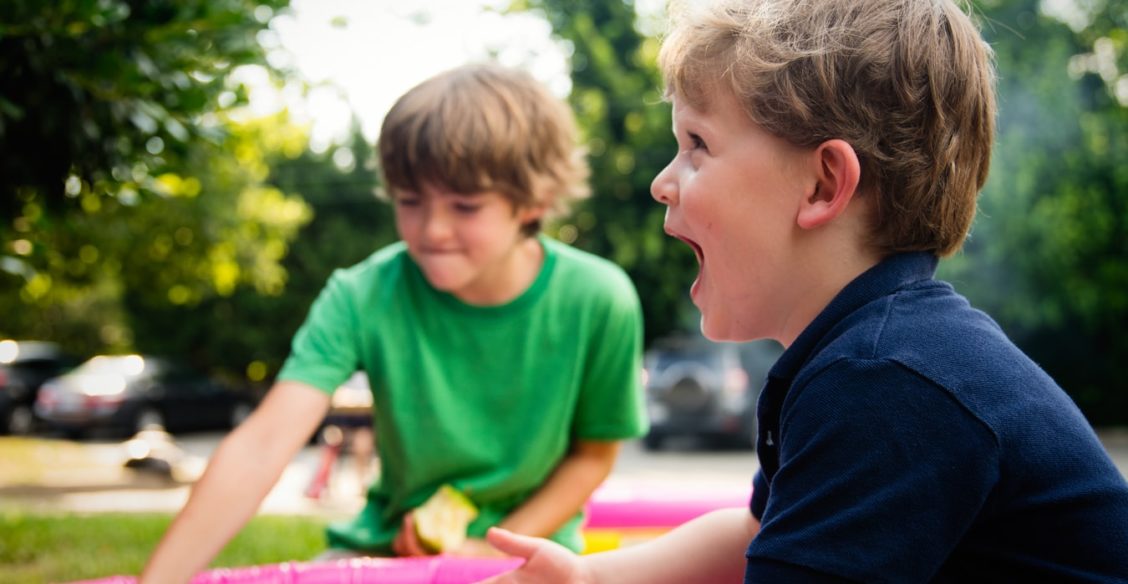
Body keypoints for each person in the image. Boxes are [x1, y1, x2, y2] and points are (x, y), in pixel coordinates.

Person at [478, 0, 1128, 582]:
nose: (661, 182)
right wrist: (592, 578)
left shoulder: (884, 382)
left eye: (697, 144)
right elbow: (756, 535)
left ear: (822, 185)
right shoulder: (873, 353)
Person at [139, 63, 648, 582]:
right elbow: (263, 444)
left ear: (534, 202)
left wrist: (490, 549)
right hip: (385, 553)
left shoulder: (599, 298)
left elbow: (593, 455)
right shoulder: (361, 294)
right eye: (410, 201)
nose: (432, 229)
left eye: (465, 206)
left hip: (532, 557)